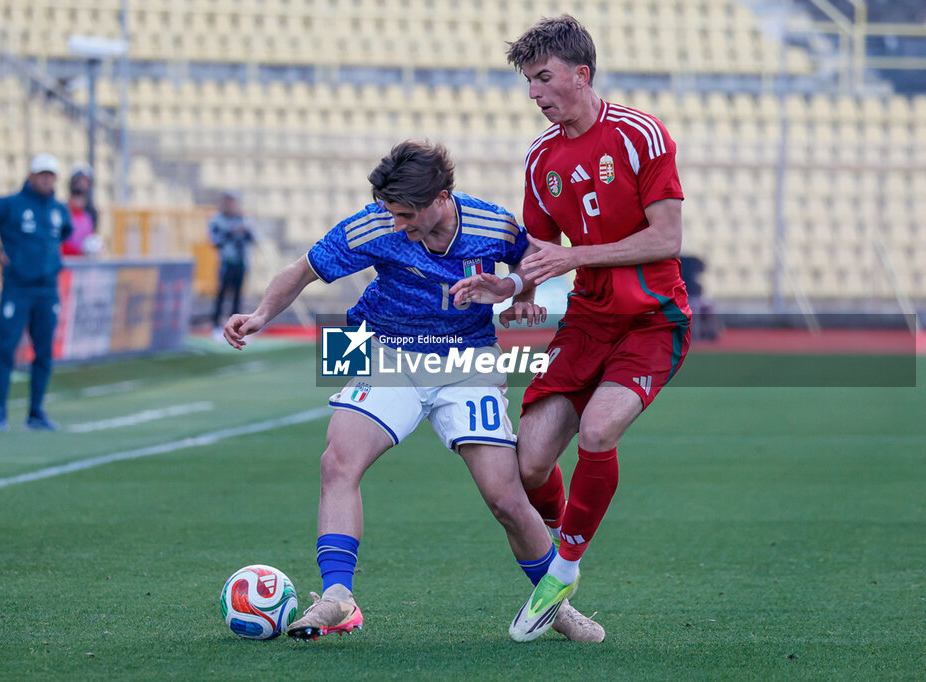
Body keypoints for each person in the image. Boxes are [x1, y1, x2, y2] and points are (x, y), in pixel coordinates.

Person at [224, 141, 602, 643]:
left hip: (467, 360)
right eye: (391, 212)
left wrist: (520, 296)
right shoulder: (374, 225)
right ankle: (338, 596)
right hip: (387, 351)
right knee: (338, 462)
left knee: (506, 498)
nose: (397, 224)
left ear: (441, 198)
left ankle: (556, 605)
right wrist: (259, 316)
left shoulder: (493, 224)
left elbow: (530, 258)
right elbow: (302, 270)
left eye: (406, 214)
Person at [452, 15, 691, 641]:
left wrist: (575, 257)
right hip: (587, 321)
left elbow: (667, 238)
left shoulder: (639, 135)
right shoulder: (541, 158)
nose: (534, 93)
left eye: (543, 78)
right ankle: (564, 535)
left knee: (599, 428)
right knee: (528, 466)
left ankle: (562, 569)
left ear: (581, 74)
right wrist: (520, 291)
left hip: (651, 318)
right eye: (528, 82)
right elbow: (539, 251)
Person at [0, 153, 73, 432]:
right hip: (18, 288)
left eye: (51, 175)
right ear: (31, 176)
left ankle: (36, 411)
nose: (47, 180)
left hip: (47, 289)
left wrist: (48, 259)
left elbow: (65, 232)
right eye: (42, 175)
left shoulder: (58, 209)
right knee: (6, 348)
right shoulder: (11, 205)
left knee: (44, 351)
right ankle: (0, 410)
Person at [208, 191, 254, 334]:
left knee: (238, 296)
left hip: (241, 262)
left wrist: (244, 230)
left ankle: (237, 328)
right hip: (225, 262)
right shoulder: (217, 220)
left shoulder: (243, 219)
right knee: (221, 295)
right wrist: (230, 231)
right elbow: (214, 241)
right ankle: (216, 326)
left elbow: (253, 238)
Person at [61, 166, 99, 257]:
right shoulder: (64, 212)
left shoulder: (90, 214)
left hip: (83, 261)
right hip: (68, 260)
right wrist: (78, 252)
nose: (82, 185)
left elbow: (91, 237)